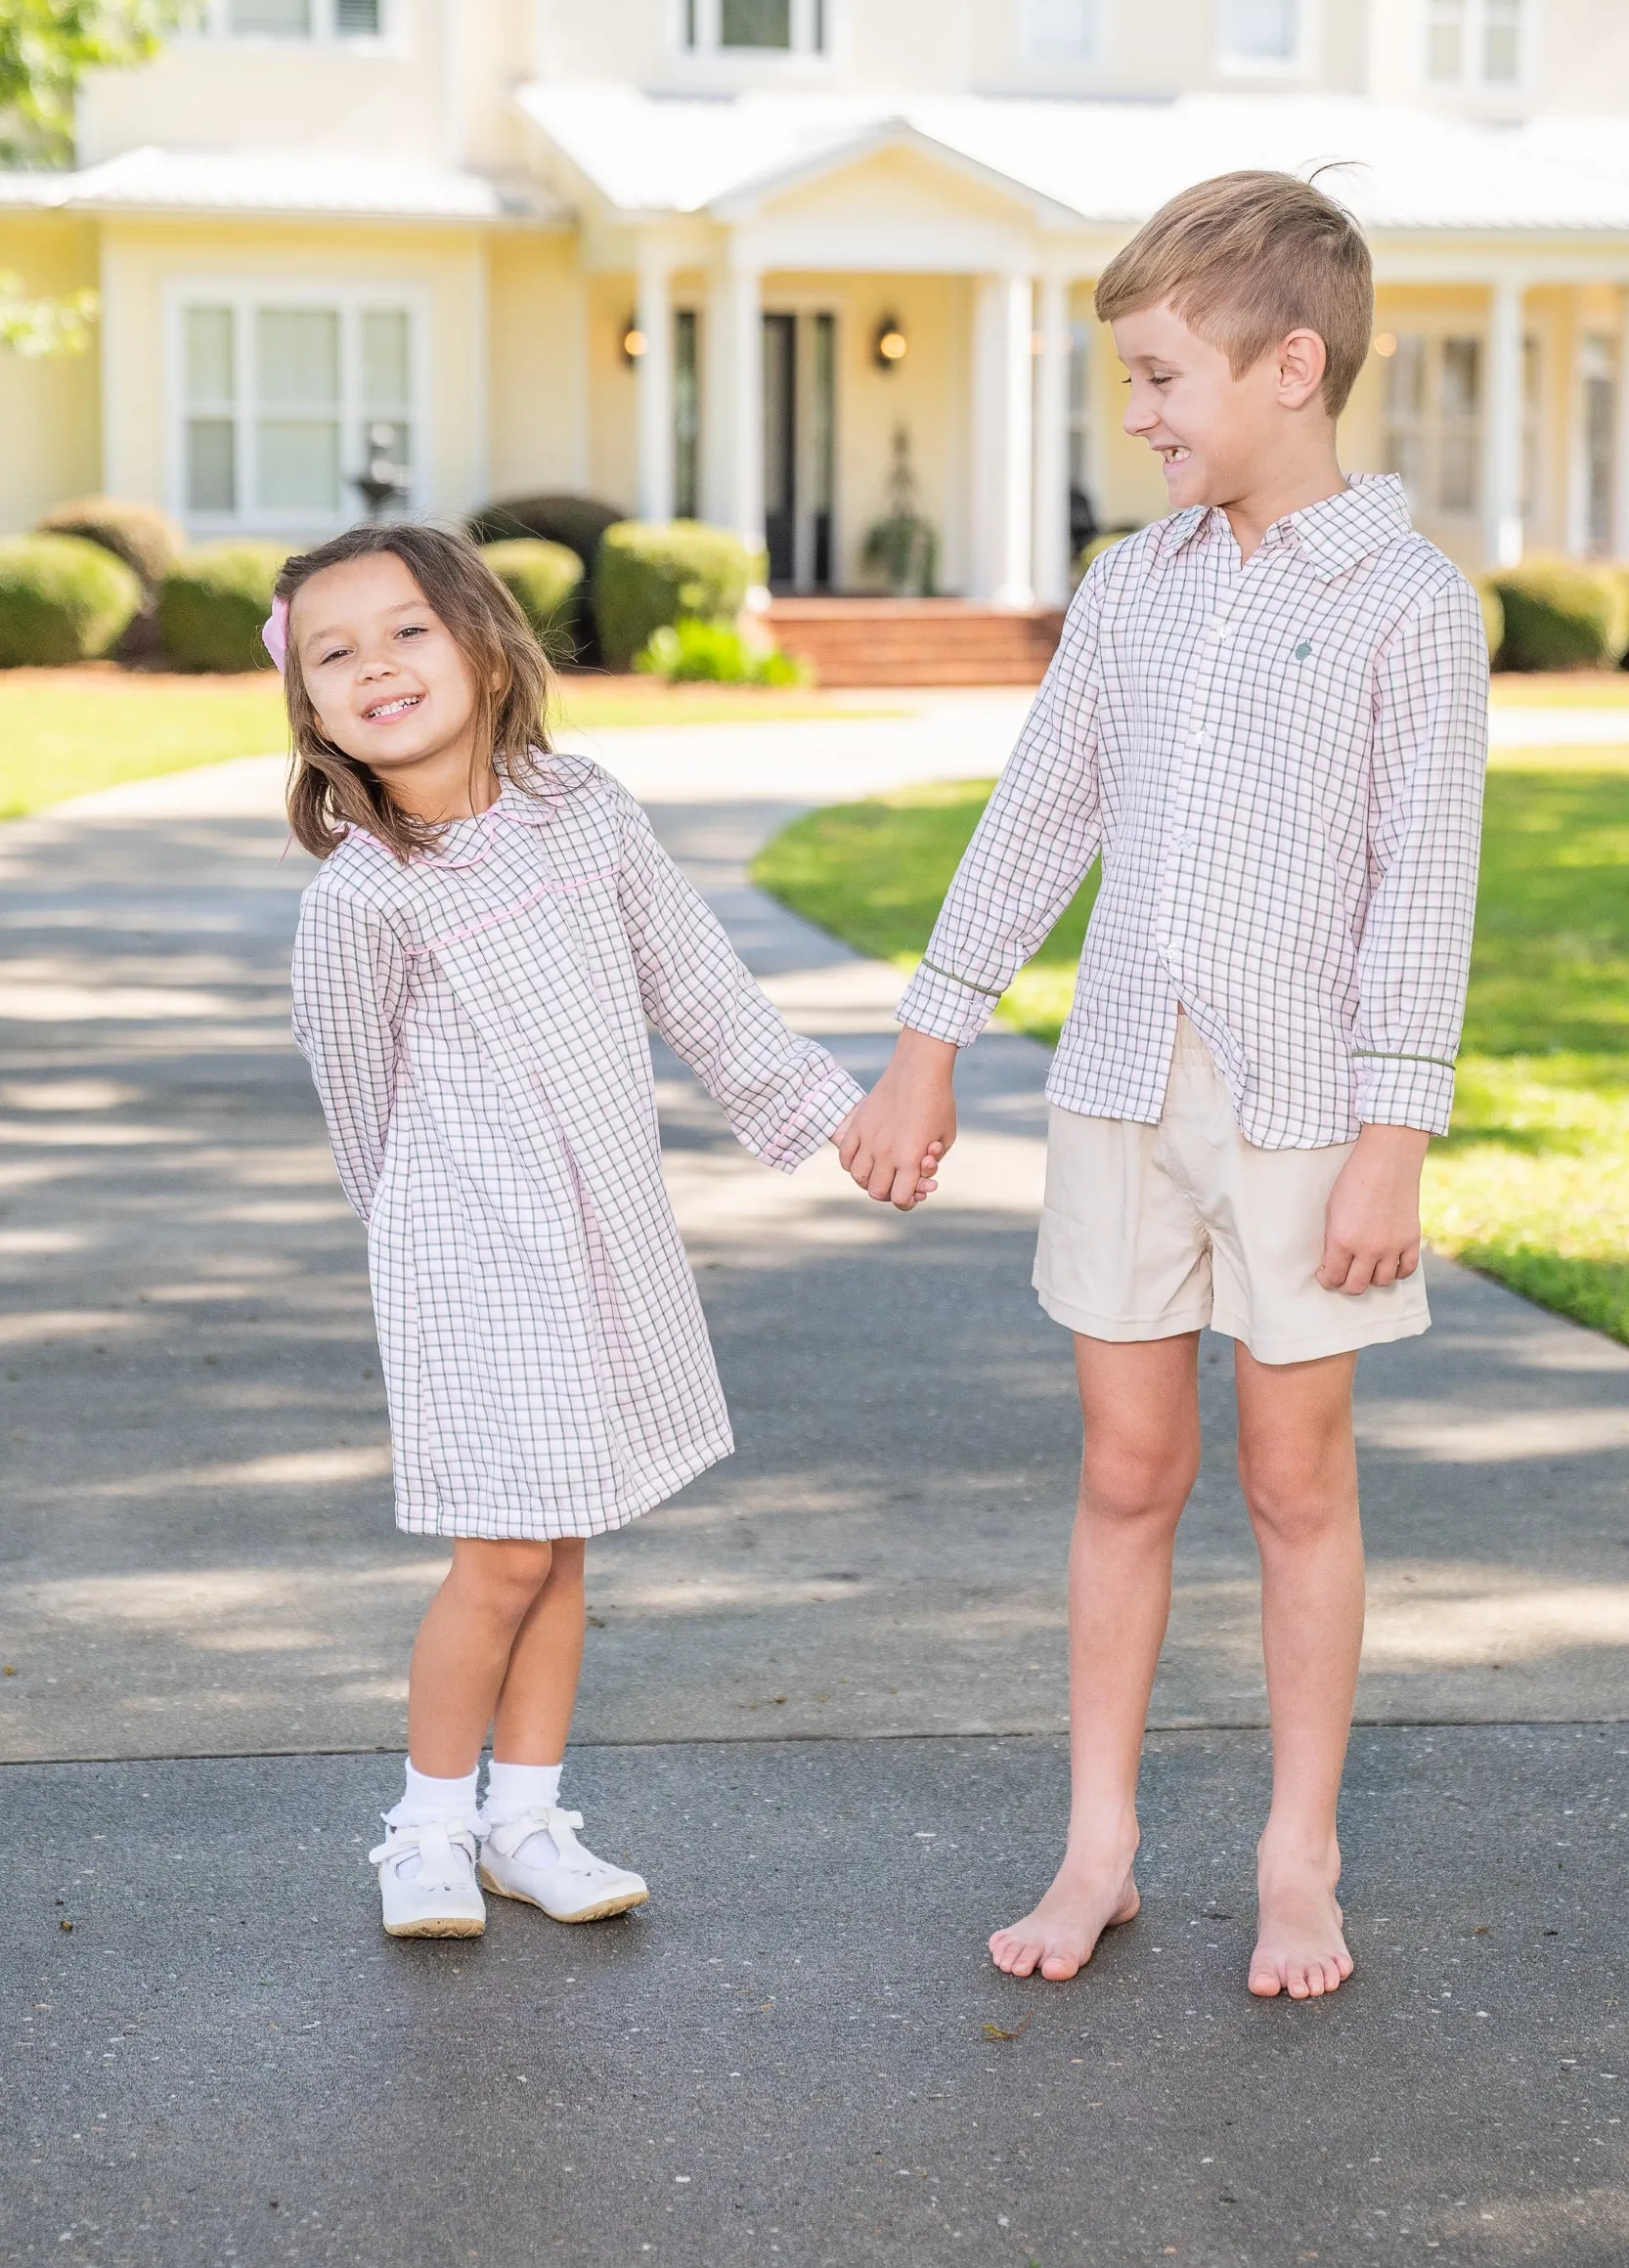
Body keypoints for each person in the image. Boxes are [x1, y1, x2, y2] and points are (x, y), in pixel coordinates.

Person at [837, 171, 1487, 2000]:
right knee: (1126, 1469)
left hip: (1304, 1114)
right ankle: (1099, 1842)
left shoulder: (1410, 607)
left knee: (1294, 1479)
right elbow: (1040, 813)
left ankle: (1298, 1856)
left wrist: (1391, 1138)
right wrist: (928, 1033)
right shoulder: (1133, 585)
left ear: (1290, 366)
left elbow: (1420, 889)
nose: (1132, 417)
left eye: (1155, 379)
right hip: (1121, 1084)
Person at [275, 523, 925, 1939]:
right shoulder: (361, 900)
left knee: (565, 1539)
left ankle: (526, 1817)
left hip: (595, 1240)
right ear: (312, 711)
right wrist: (420, 1260)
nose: (376, 667)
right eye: (336, 654)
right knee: (500, 1554)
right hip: (464, 1253)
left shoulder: (586, 812)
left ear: (483, 647)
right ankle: (426, 1826)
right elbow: (361, 1116)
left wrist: (840, 1115)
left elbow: (698, 987)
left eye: (406, 632)